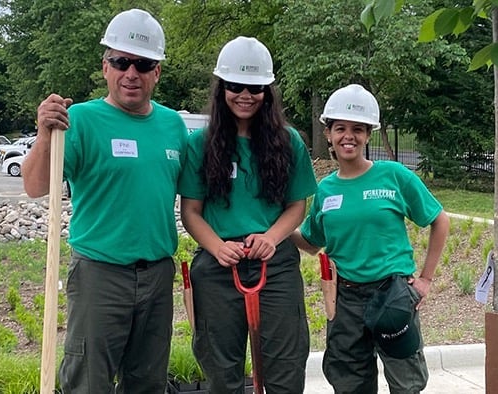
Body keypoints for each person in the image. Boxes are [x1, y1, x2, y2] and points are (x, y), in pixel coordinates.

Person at [22, 9, 188, 393]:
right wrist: (45, 135)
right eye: (121, 61)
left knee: (148, 381)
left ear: (157, 72)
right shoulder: (78, 121)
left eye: (144, 64)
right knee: (89, 380)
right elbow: (34, 185)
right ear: (105, 67)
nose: (132, 72)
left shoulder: (173, 126)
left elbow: (197, 195)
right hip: (100, 273)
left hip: (157, 274)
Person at [178, 36, 318, 393]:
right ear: (221, 87)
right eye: (235, 86)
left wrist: (271, 238)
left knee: (285, 366)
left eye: (255, 87)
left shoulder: (288, 142)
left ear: (267, 92)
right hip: (218, 263)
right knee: (220, 368)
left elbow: (296, 205)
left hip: (274, 262)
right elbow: (191, 211)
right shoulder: (200, 143)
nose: (245, 94)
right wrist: (217, 247)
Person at [290, 84, 450, 393]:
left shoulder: (393, 175)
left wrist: (426, 280)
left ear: (367, 134)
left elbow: (439, 220)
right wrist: (278, 230)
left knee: (406, 383)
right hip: (346, 299)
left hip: (393, 294)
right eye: (340, 129)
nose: (348, 136)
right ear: (329, 135)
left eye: (357, 129)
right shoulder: (326, 190)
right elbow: (311, 243)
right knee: (350, 383)